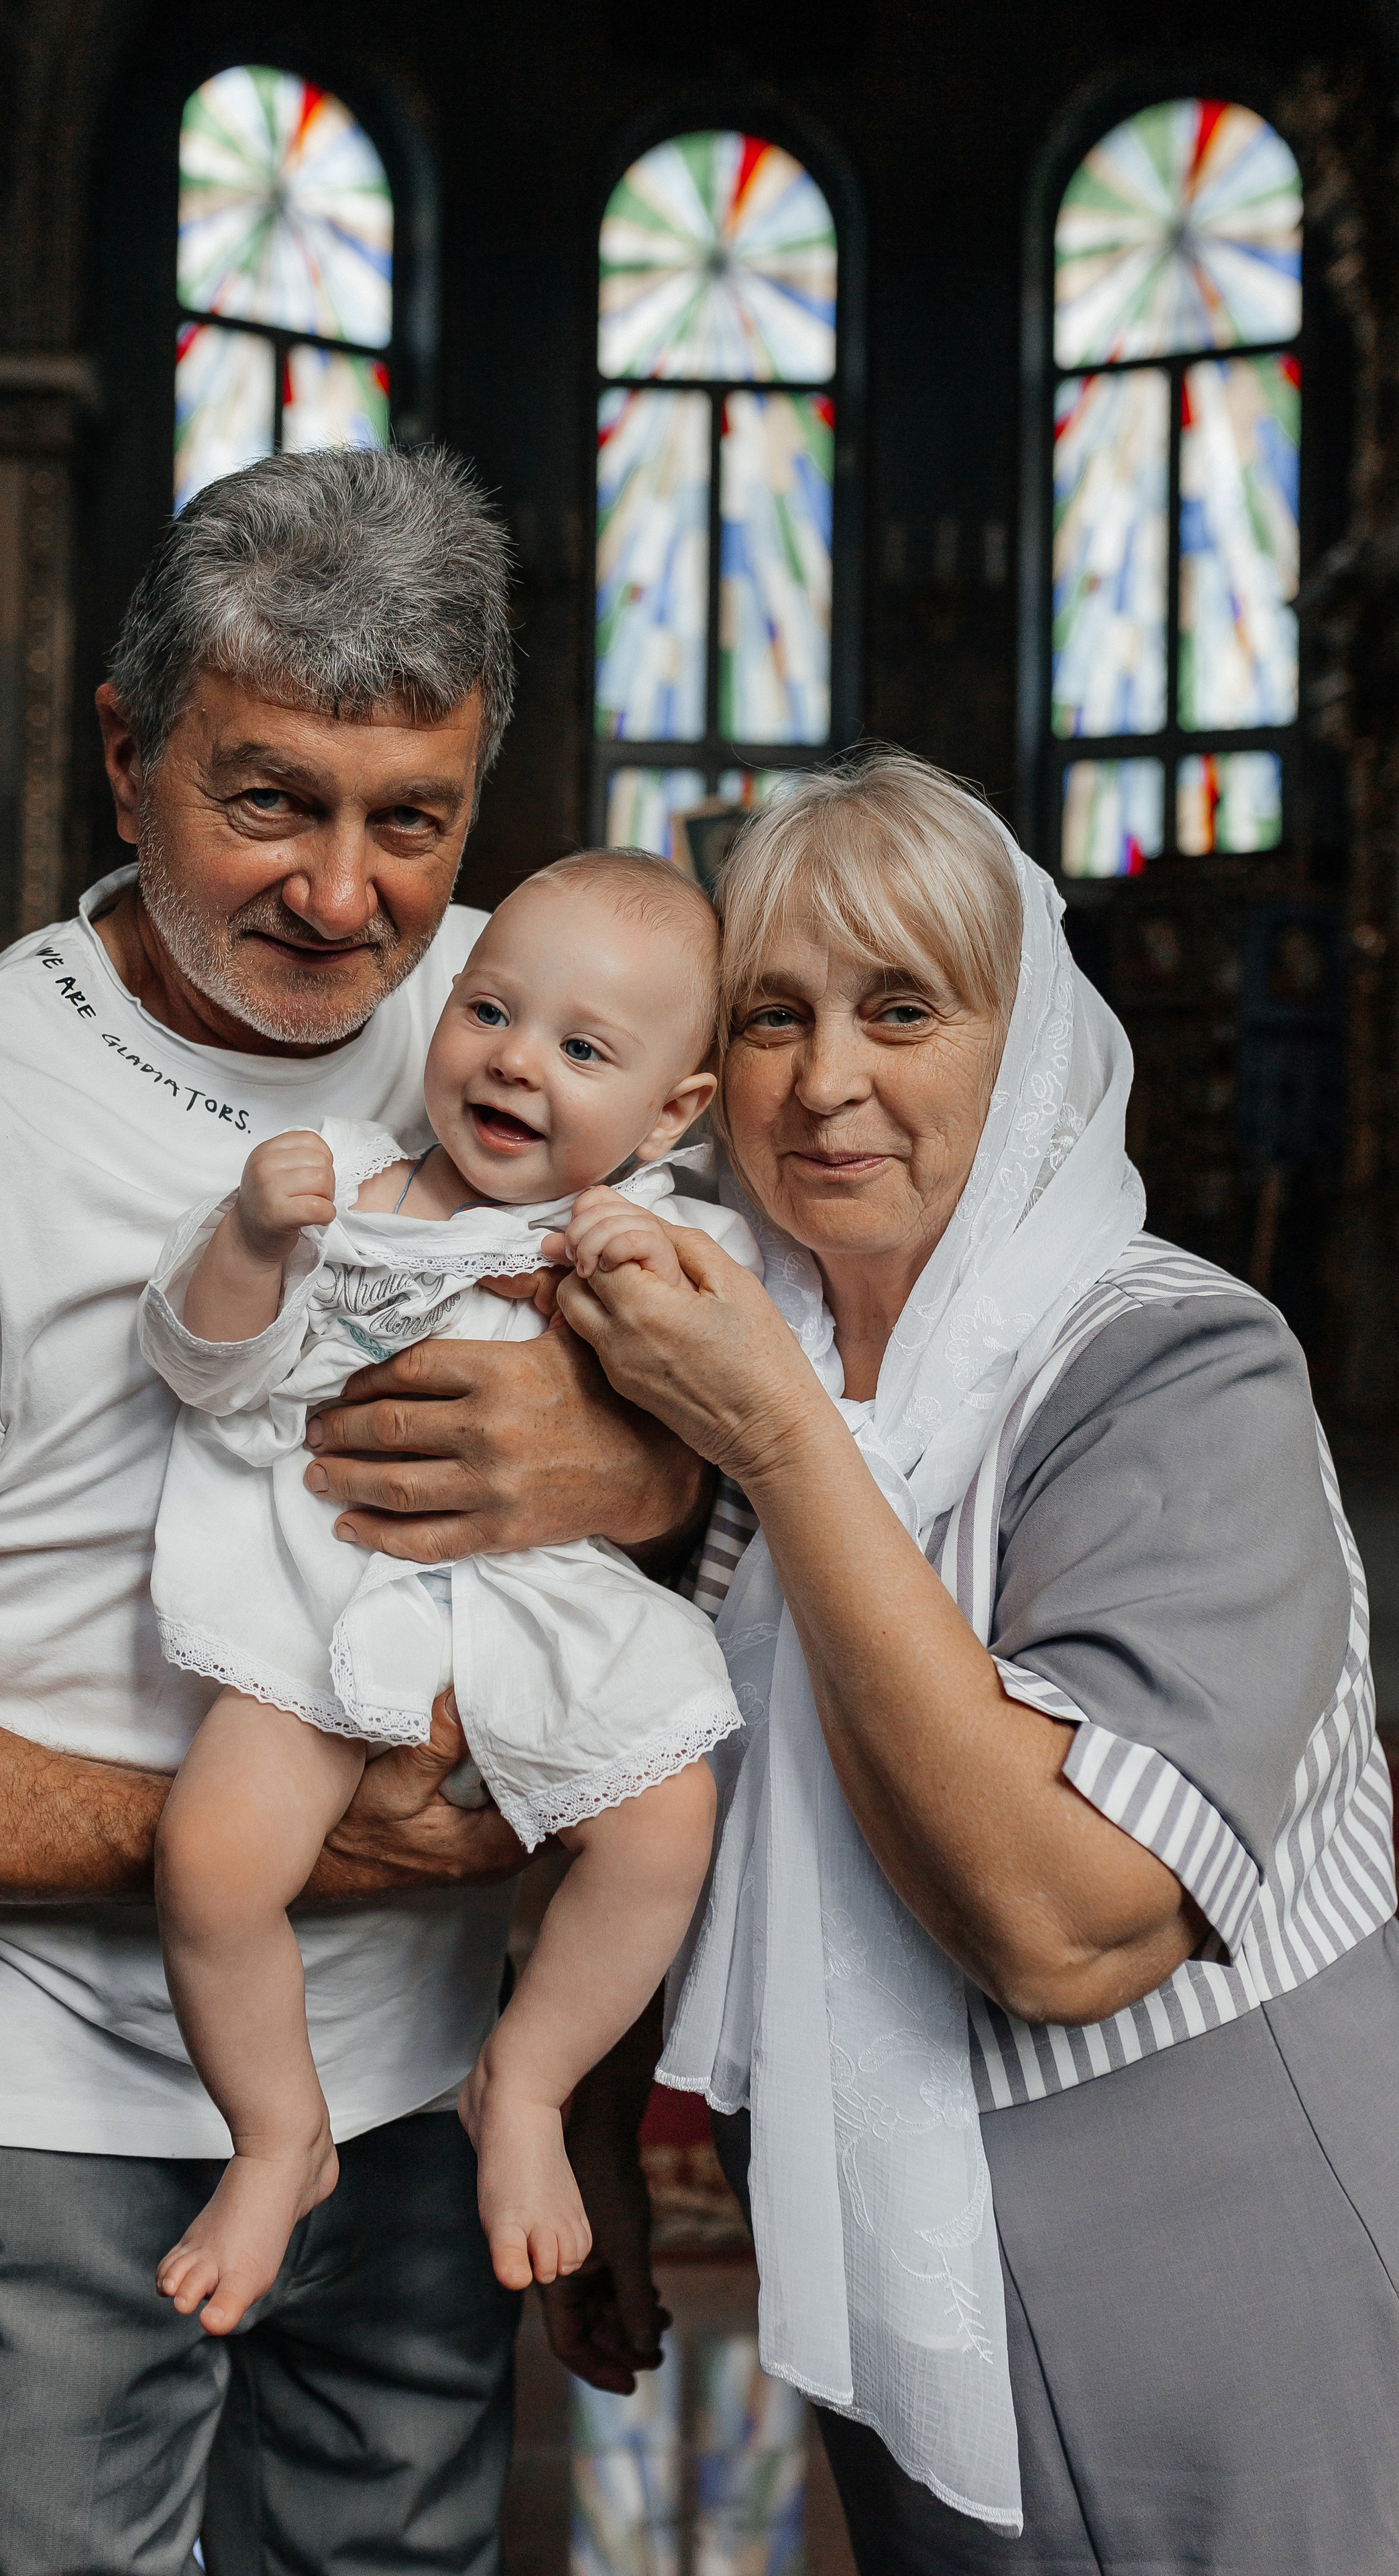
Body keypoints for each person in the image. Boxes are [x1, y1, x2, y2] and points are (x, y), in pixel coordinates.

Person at [0, 449, 703, 2576]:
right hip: (51, 2124)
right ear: (128, 753)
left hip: (433, 2105)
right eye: (270, 802)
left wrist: (638, 1459)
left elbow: (786, 1380)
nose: (347, 897)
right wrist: (269, 1854)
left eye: (410, 821)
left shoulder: (534, 1011)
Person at [551, 748, 1399, 2574]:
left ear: (1024, 1052)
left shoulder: (1174, 1369)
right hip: (895, 2283)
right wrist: (599, 2124)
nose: (828, 1078)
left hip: (1216, 2286)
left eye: (904, 1006)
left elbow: (1064, 1920)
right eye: (774, 1013)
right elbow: (657, 1767)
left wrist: (786, 1446)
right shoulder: (738, 1344)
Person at [142, 854, 757, 2333]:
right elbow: (199, 1363)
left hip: (537, 1614)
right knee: (212, 1863)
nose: (515, 1060)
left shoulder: (662, 1232)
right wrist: (244, 1241)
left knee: (666, 1823)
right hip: (327, 1593)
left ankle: (526, 2081)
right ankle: (278, 2132)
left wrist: (643, 1277)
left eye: (584, 1050)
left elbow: (728, 1407)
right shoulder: (344, 1185)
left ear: (672, 1113)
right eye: (488, 1009)